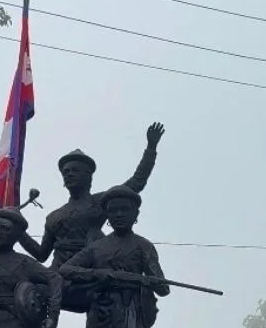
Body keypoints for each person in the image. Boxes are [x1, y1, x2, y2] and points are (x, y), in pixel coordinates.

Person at [17, 123, 165, 312]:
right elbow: (41, 254)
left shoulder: (101, 202)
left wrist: (151, 149)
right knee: (21, 287)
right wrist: (19, 231)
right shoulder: (53, 217)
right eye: (65, 171)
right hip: (59, 274)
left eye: (74, 170)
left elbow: (136, 182)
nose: (68, 174)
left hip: (92, 272)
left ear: (89, 176)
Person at [60, 185, 169, 328]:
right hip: (102, 310)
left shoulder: (144, 246)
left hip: (132, 310)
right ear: (107, 216)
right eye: (113, 210)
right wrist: (96, 274)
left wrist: (154, 282)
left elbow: (162, 285)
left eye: (124, 210)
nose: (119, 214)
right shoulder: (96, 248)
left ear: (135, 215)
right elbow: (66, 268)